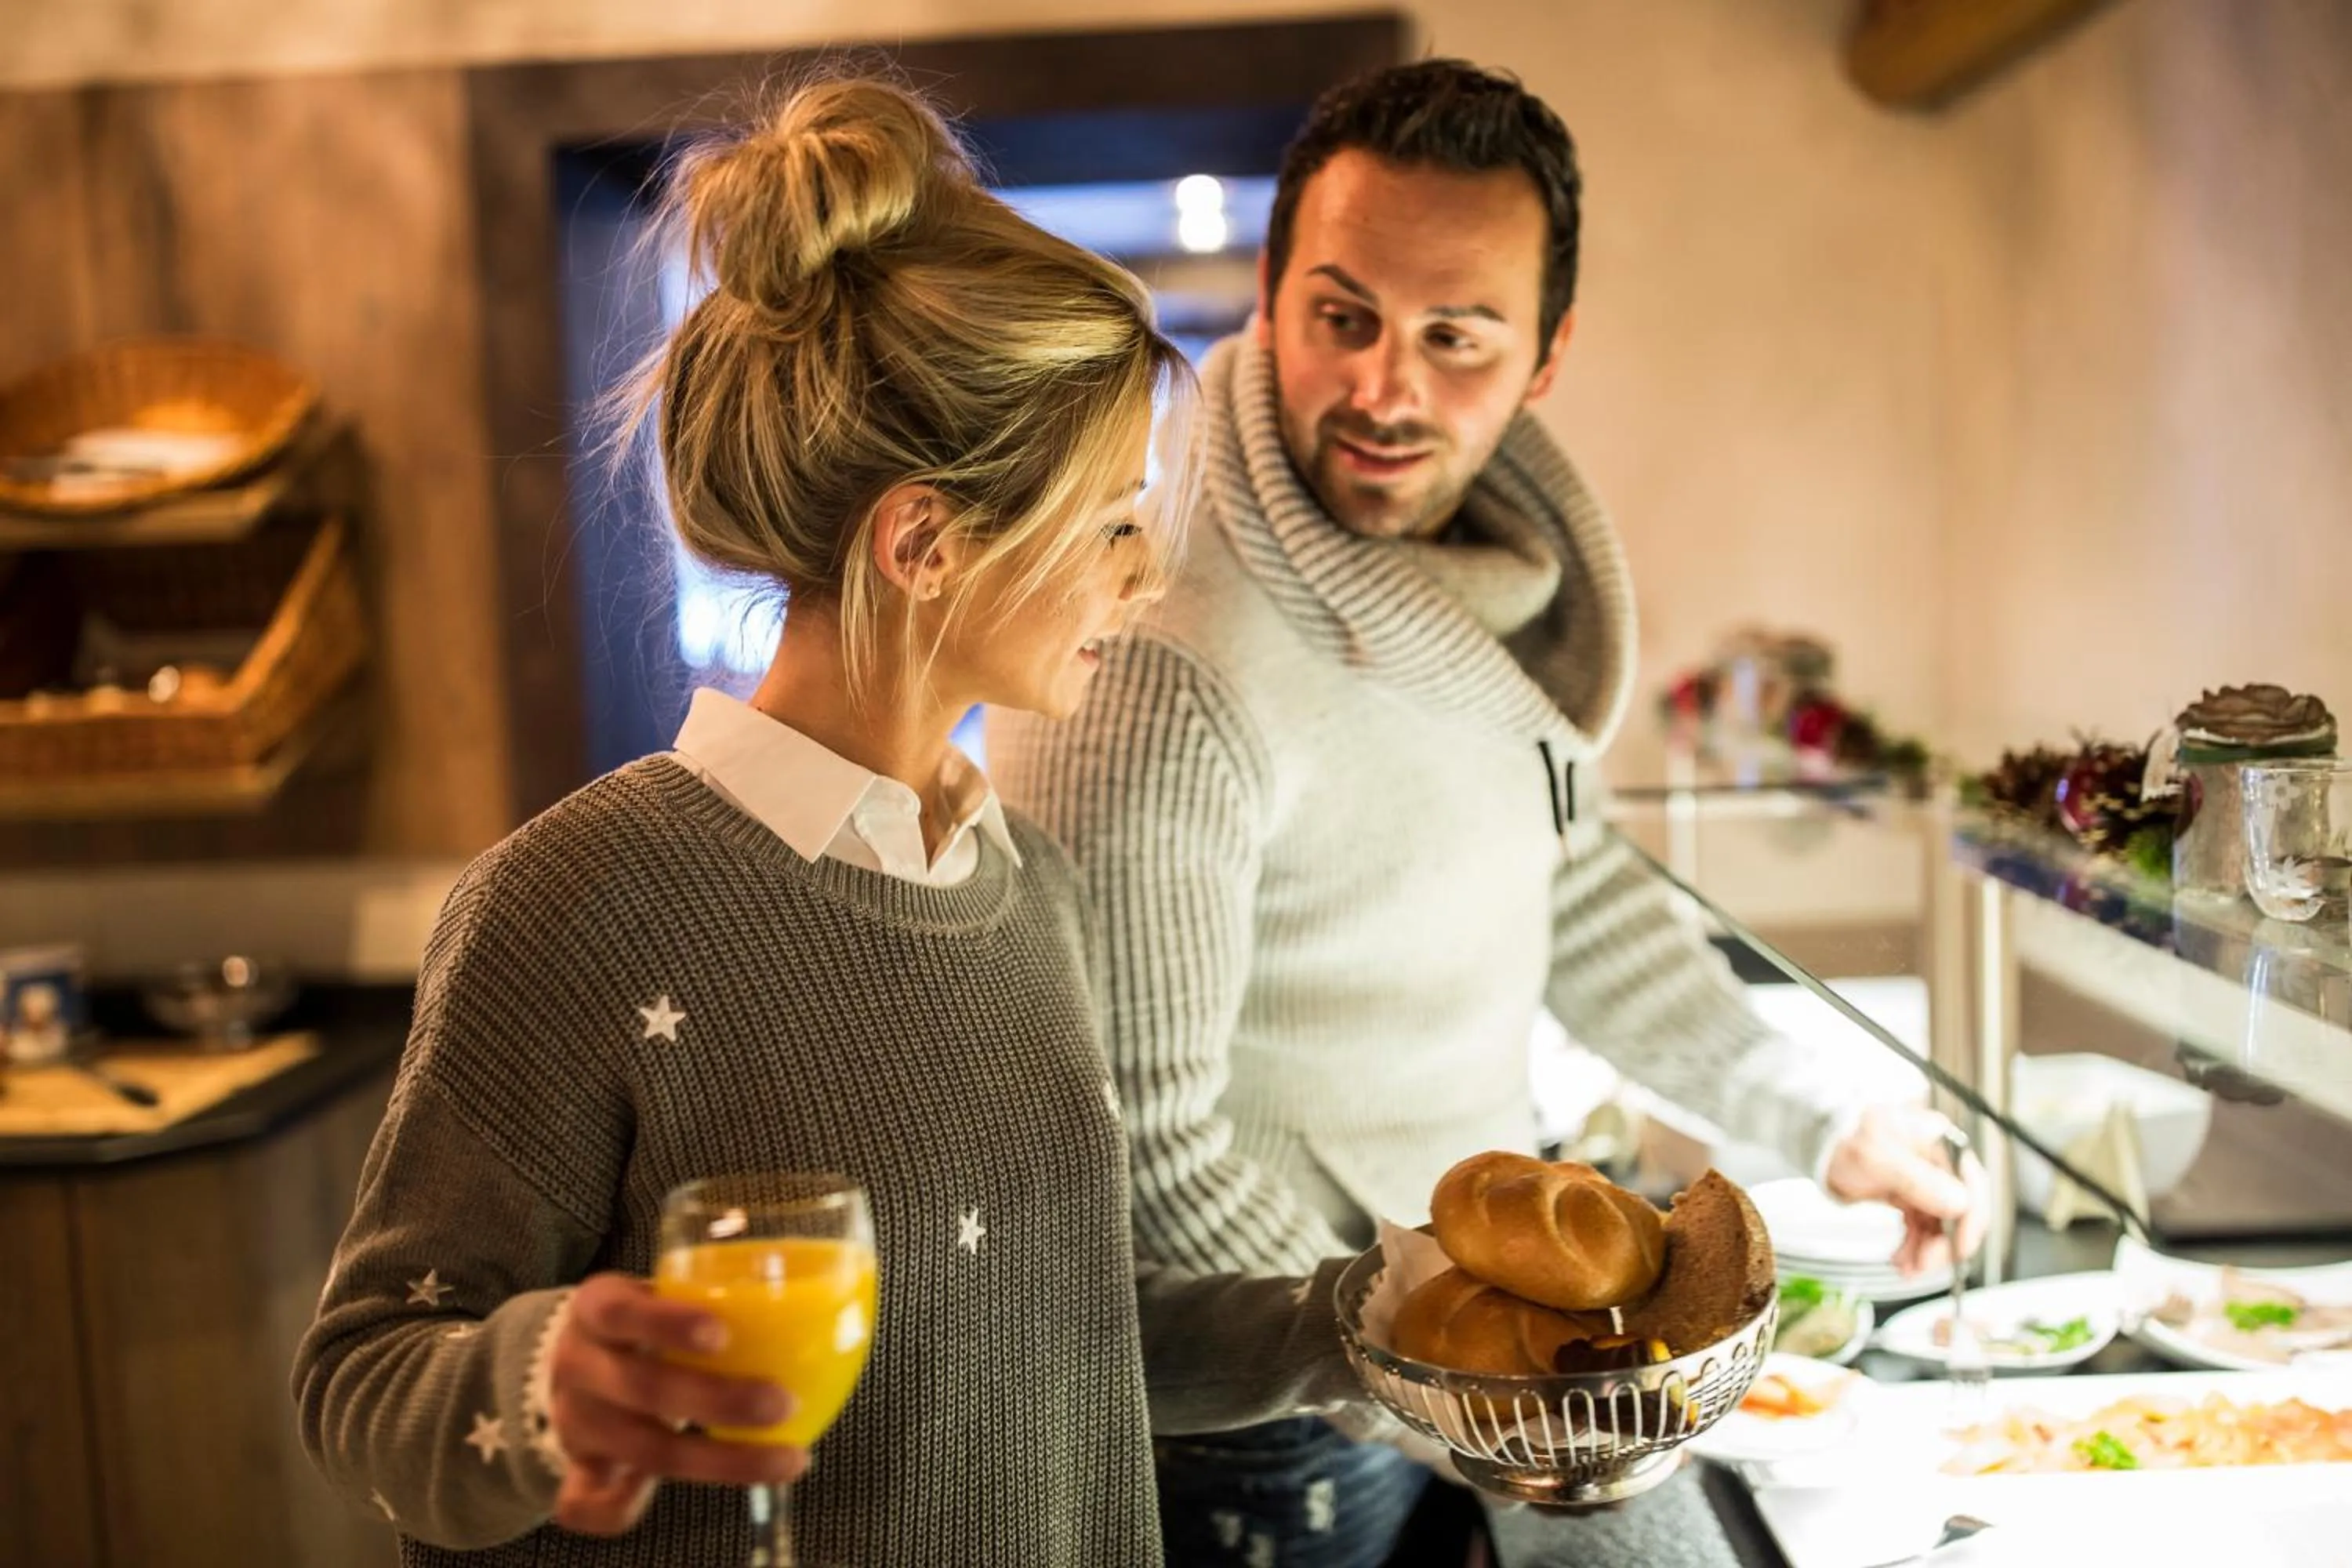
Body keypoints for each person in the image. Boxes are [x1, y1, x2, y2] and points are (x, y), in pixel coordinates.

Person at [294, 74, 1367, 1568]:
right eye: (1111, 518)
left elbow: (1056, 1343)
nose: (1148, 573)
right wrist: (547, 1380)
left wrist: (1356, 1328)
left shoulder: (1024, 886)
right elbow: (362, 1382)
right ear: (925, 542)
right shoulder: (574, 904)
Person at [989, 59, 1988, 1566]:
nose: (1387, 389)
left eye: (1457, 338)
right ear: (1270, 298)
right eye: (1343, 317)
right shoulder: (1168, 647)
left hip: (1467, 1352)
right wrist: (1464, 1384)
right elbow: (1144, 1151)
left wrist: (1824, 1117)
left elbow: (1570, 883)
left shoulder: (1488, 575)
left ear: (1548, 353)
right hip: (1273, 1423)